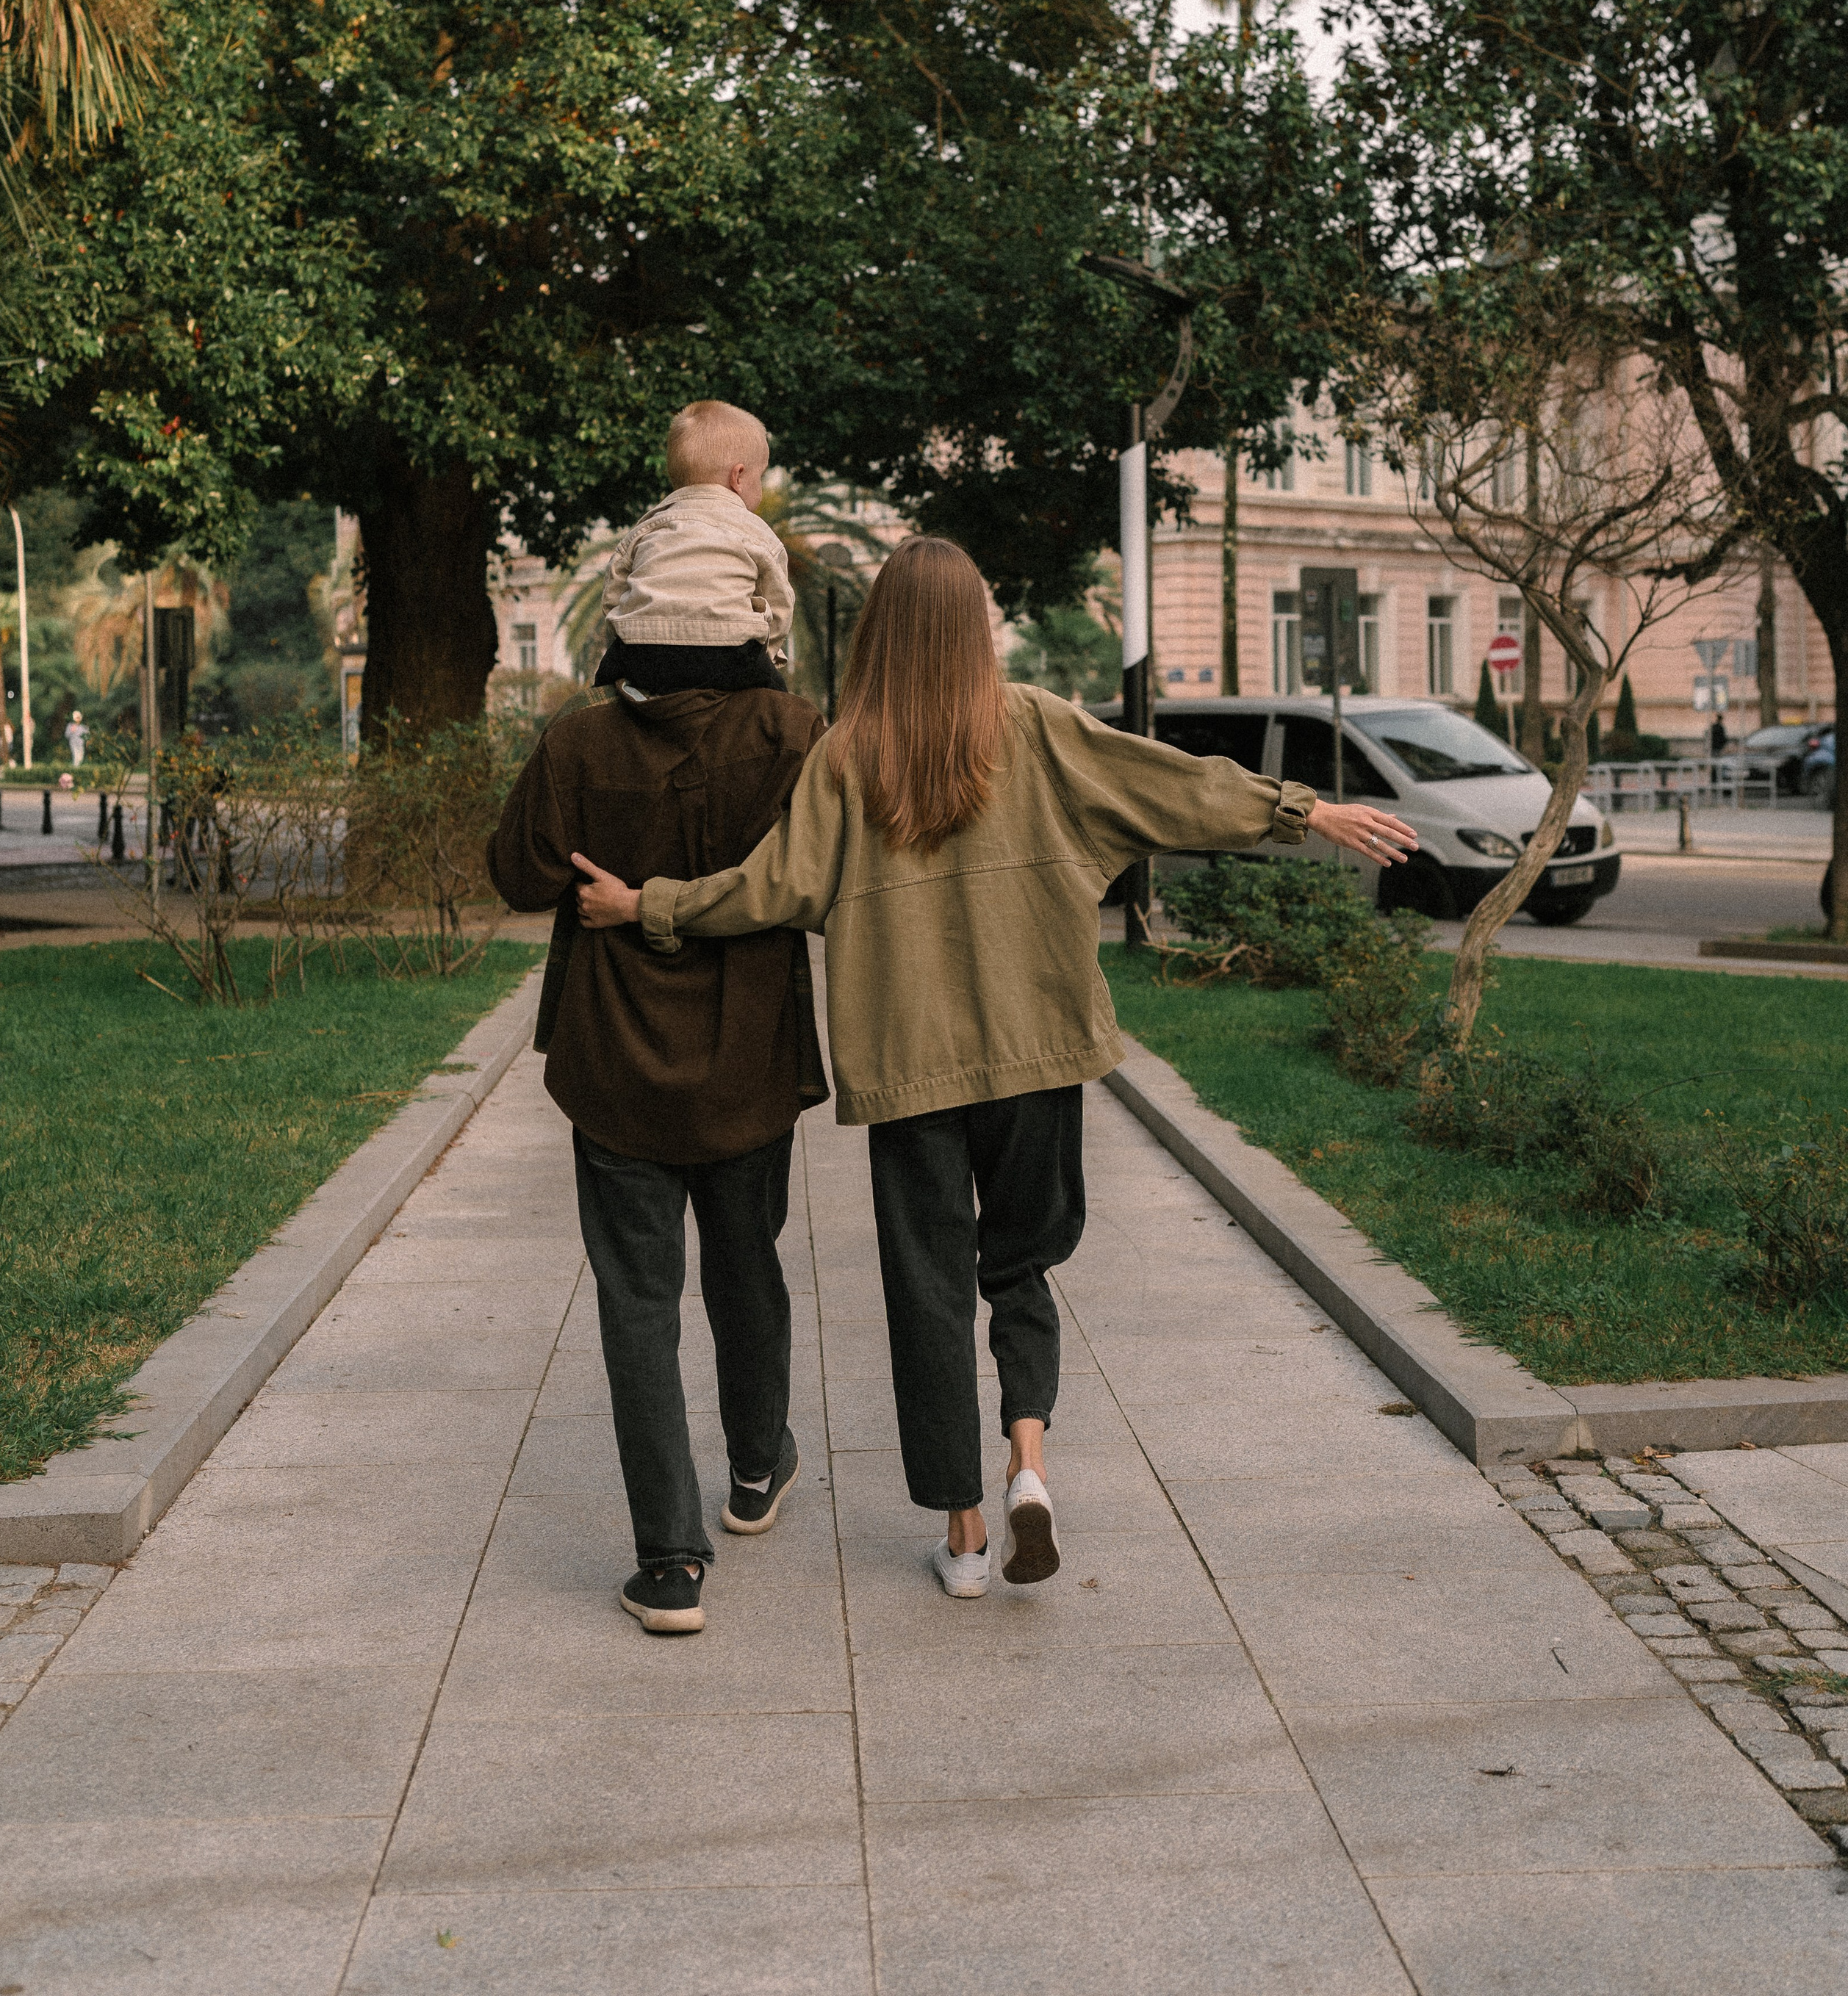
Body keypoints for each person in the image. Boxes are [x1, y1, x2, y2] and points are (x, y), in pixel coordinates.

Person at [572, 538, 1417, 1600]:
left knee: (928, 1292)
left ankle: (965, 1537)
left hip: (910, 1072)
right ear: (975, 626)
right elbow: (1172, 786)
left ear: (880, 632)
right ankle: (1029, 1465)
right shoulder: (1035, 726)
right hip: (1035, 1056)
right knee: (1021, 1267)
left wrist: (645, 903)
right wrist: (1302, 810)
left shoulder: (846, 757)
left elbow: (769, 888)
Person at [486, 399, 827, 1640]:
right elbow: (825, 886)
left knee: (637, 1299)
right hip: (749, 1057)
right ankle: (757, 1466)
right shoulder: (794, 736)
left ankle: (670, 1564)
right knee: (748, 1266)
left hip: (612, 1062)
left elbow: (518, 874)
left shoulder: (577, 744)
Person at [596, 398, 794, 693]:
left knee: (602, 690)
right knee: (779, 701)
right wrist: (766, 654)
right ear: (738, 477)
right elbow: (780, 605)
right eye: (761, 477)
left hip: (644, 653)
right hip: (729, 653)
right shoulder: (755, 532)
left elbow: (614, 592)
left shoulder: (648, 527)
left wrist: (628, 632)